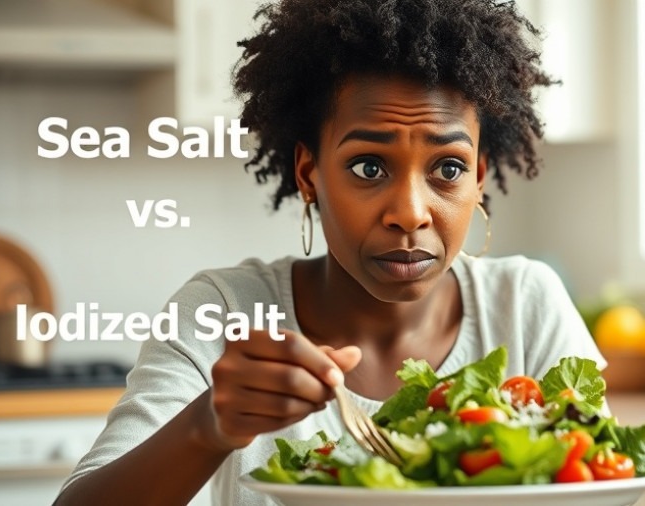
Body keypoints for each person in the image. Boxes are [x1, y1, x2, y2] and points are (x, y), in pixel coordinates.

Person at [54, 0, 606, 504]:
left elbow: (606, 479)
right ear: (308, 174)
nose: (410, 212)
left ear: (479, 178)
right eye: (369, 166)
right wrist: (208, 427)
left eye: (448, 169)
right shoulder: (224, 312)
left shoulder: (525, 305)